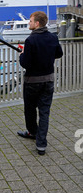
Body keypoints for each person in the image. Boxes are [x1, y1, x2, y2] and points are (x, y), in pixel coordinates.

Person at [17, 11, 63, 155]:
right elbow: (59, 54)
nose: (29, 23)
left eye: (30, 21)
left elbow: (26, 64)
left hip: (32, 82)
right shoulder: (53, 37)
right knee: (44, 112)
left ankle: (32, 132)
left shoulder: (30, 40)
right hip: (48, 80)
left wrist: (22, 55)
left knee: (30, 110)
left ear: (37, 23)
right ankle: (41, 144)